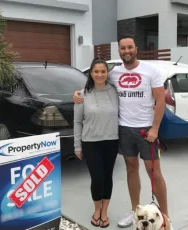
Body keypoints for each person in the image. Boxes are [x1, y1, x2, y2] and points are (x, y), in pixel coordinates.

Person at [73, 35, 173, 229]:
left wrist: (155, 128)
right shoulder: (115, 72)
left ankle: (165, 216)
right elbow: (96, 80)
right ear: (119, 51)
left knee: (155, 173)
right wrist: (77, 93)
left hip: (146, 130)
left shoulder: (150, 71)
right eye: (123, 48)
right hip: (123, 130)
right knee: (131, 169)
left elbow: (160, 101)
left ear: (136, 48)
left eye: (130, 47)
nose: (127, 51)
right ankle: (135, 211)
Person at [73, 57, 120, 228]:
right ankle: (96, 210)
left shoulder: (115, 91)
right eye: (96, 71)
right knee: (97, 178)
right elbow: (77, 122)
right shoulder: (82, 95)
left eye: (103, 71)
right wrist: (77, 146)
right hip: (90, 143)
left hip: (111, 142)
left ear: (107, 73)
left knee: (108, 177)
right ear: (91, 73)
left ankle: (105, 211)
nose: (100, 75)